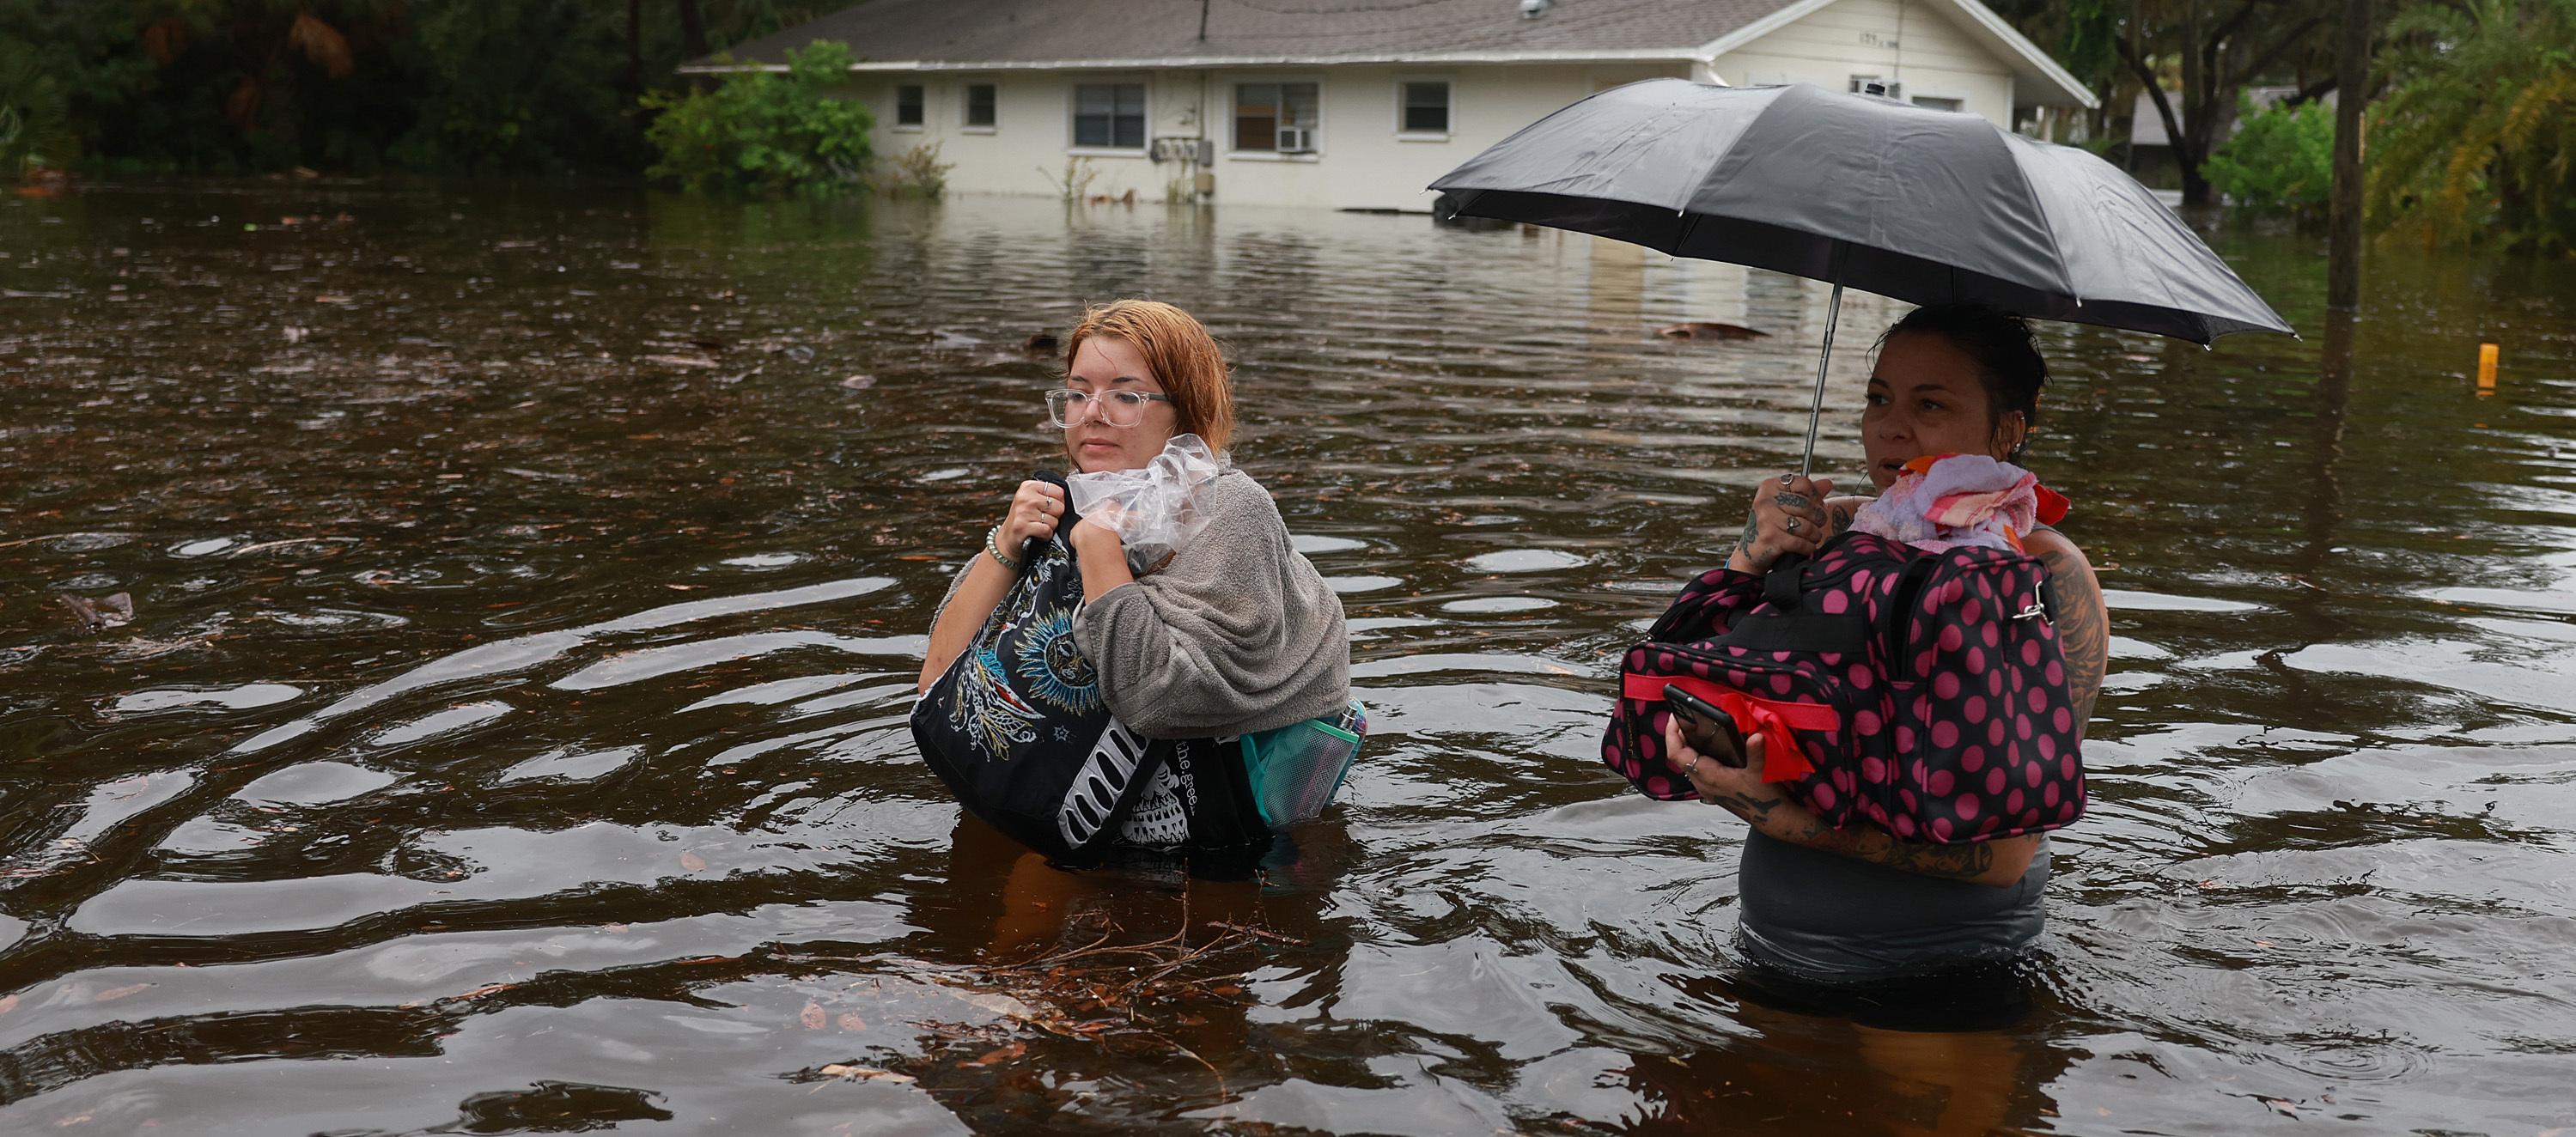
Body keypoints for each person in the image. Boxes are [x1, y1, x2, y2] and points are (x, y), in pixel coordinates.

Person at [1662, 302, 2110, 982]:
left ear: (2006, 429)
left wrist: (1779, 820)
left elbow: (2004, 856)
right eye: (1877, 398)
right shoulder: (1836, 536)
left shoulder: (2041, 574)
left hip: (1943, 970)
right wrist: (1753, 556)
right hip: (1770, 948)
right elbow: (1694, 673)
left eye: (1929, 406)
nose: (1890, 429)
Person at [916, 299, 1352, 851]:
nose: (1092, 413)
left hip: (1230, 831)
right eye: (1078, 393)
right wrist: (1004, 546)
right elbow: (937, 685)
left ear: (1184, 413)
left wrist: (1100, 550)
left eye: (1126, 395)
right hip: (1078, 809)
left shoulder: (1230, 510)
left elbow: (1160, 701)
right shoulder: (1063, 502)